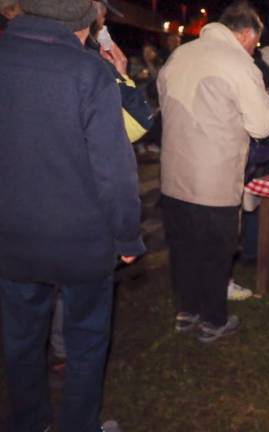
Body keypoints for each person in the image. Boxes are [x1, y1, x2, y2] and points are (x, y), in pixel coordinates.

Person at [0, 0, 144, 430]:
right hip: (80, 241)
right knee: (84, 341)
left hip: (11, 236)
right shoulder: (90, 73)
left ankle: (30, 421)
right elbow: (114, 170)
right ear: (85, 24)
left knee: (21, 340)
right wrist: (127, 238)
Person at [157, 0, 269, 343]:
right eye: (255, 43)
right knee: (215, 251)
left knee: (183, 248)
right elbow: (263, 124)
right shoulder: (237, 62)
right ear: (246, 34)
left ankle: (186, 309)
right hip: (214, 178)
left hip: (173, 173)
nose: (255, 50)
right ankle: (212, 319)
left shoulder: (181, 54)